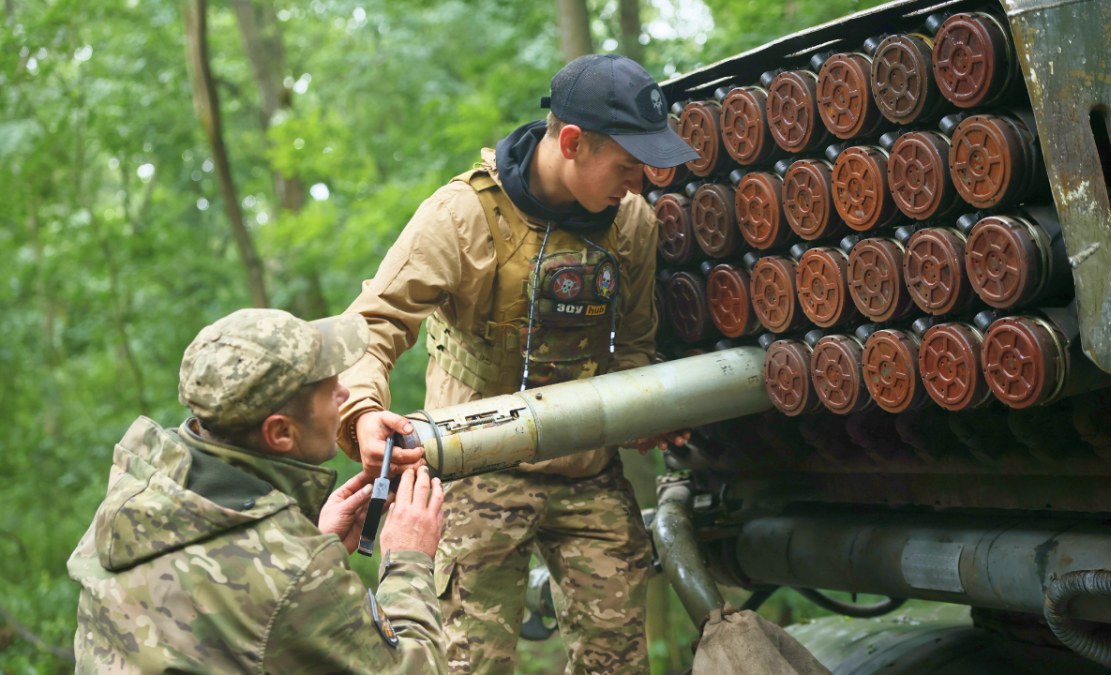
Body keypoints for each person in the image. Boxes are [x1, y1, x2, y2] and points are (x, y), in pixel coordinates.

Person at [335, 54, 698, 675]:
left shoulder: (633, 224)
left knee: (619, 663)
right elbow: (373, 324)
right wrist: (363, 411)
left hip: (586, 468)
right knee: (463, 664)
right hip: (475, 467)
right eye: (628, 166)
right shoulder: (462, 217)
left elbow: (636, 343)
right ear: (574, 143)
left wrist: (644, 412)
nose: (638, 184)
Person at [67, 308, 448, 674]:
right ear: (281, 432)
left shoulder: (140, 488)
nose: (345, 393)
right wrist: (408, 559)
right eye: (328, 388)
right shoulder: (291, 573)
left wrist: (308, 538)